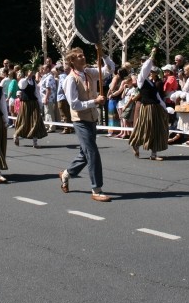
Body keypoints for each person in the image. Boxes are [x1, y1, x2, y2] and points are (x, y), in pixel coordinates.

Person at [58, 48, 114, 202]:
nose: (83, 57)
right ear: (72, 61)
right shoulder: (70, 79)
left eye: (83, 55)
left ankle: (66, 174)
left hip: (92, 118)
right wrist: (94, 102)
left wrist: (103, 55)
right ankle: (96, 189)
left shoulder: (89, 72)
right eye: (79, 56)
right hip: (80, 120)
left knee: (85, 153)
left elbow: (109, 70)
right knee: (92, 153)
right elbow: (74, 105)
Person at [128, 47, 168, 160]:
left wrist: (164, 108)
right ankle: (136, 143)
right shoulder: (141, 80)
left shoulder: (151, 83)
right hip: (148, 108)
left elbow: (158, 97)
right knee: (146, 129)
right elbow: (145, 68)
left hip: (156, 107)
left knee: (157, 129)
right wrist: (152, 54)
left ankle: (153, 154)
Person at [13, 67, 47, 148]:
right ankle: (16, 135)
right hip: (26, 103)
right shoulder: (23, 80)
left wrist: (40, 104)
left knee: (36, 120)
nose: (31, 73)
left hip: (34, 103)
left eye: (32, 72)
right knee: (24, 121)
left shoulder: (34, 82)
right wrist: (27, 77)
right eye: (30, 71)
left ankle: (35, 142)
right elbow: (21, 86)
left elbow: (37, 93)